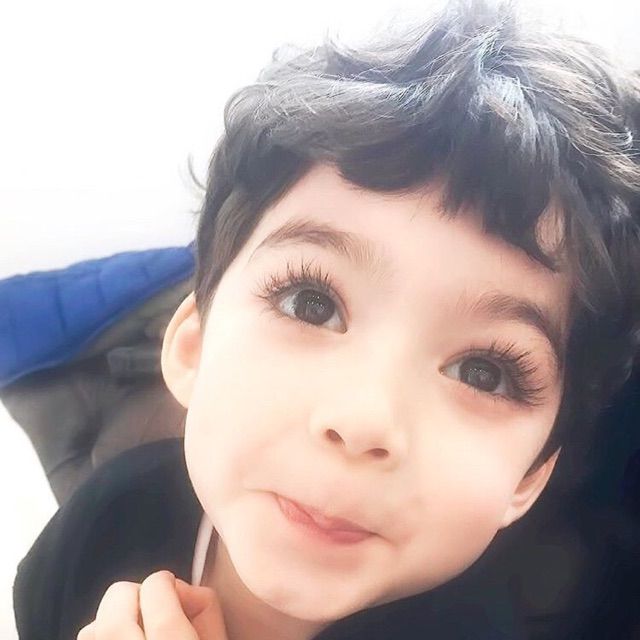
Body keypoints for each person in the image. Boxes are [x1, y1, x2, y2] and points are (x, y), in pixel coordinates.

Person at [12, 0, 640, 638]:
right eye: (310, 304)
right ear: (193, 345)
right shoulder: (109, 516)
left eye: (483, 372)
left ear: (529, 476)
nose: (363, 419)